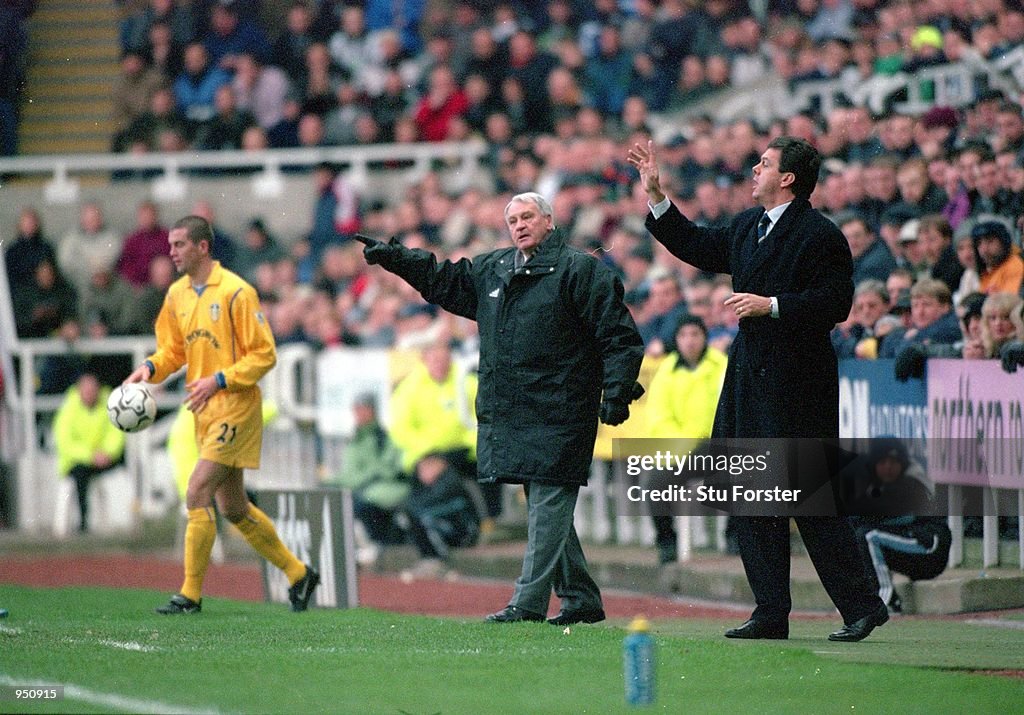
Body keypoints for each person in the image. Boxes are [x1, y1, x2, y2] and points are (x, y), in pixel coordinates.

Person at [628, 136, 888, 642]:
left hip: (799, 382)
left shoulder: (820, 234)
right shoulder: (748, 225)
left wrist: (771, 305)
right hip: (749, 376)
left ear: (787, 178)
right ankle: (771, 611)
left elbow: (835, 303)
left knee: (812, 501)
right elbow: (699, 245)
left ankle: (862, 605)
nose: (753, 169)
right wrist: (657, 196)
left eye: (764, 164)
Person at [355, 191, 644, 625]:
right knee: (545, 504)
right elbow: (444, 280)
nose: (520, 225)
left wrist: (617, 390)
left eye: (528, 217)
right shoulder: (495, 267)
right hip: (513, 407)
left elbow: (617, 334)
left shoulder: (582, 271)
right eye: (512, 220)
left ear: (549, 221)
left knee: (547, 501)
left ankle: (526, 603)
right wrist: (399, 260)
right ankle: (581, 597)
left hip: (562, 409)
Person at [124, 215, 319, 614]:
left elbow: (265, 354)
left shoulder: (236, 292)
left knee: (197, 492)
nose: (171, 252)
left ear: (202, 247)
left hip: (237, 407)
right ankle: (299, 574)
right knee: (234, 508)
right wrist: (150, 369)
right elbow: (173, 351)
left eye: (179, 245)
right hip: (205, 410)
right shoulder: (177, 295)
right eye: (171, 245)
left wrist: (219, 379)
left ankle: (190, 595)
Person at [645, 314, 727, 562]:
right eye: (683, 335)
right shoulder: (666, 371)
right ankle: (667, 541)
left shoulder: (722, 365)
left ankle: (736, 538)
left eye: (695, 334)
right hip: (681, 451)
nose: (690, 341)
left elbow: (728, 409)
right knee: (654, 486)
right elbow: (659, 416)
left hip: (718, 447)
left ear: (704, 337)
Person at [846, 439, 952, 613]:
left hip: (929, 547)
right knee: (858, 536)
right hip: (909, 543)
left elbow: (891, 517)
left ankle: (885, 601)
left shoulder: (910, 484)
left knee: (868, 536)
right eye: (882, 462)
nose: (888, 467)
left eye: (894, 462)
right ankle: (864, 598)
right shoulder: (875, 484)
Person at [325, 393, 409, 568]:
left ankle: (369, 546)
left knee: (357, 503)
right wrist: (330, 482)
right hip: (366, 487)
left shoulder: (382, 437)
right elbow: (350, 472)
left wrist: (348, 483)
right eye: (357, 409)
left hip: (385, 487)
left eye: (363, 409)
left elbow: (382, 470)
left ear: (373, 411)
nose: (359, 414)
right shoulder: (356, 438)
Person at [53, 372, 126, 533]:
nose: (89, 393)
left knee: (121, 468)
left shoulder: (110, 405)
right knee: (80, 474)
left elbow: (117, 433)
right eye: (85, 390)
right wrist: (90, 456)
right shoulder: (68, 409)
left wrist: (107, 453)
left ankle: (122, 521)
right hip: (78, 461)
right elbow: (65, 442)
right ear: (79, 390)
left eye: (92, 390)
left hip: (106, 459)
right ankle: (83, 521)